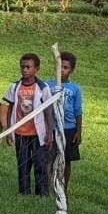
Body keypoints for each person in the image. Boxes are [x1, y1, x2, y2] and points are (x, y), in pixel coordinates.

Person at [2, 53, 54, 196]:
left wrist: (49, 131)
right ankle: (24, 191)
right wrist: (9, 129)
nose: (24, 70)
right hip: (20, 132)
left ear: (36, 69)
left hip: (37, 133)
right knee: (23, 162)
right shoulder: (14, 87)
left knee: (40, 162)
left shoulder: (43, 88)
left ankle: (42, 192)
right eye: (22, 67)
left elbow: (48, 110)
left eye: (28, 67)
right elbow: (10, 108)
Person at [45, 51, 83, 190]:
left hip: (68, 129)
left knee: (66, 161)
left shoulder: (75, 89)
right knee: (49, 158)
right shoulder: (47, 85)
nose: (61, 70)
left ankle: (63, 187)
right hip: (51, 129)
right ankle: (48, 187)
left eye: (65, 68)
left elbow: (78, 111)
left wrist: (78, 131)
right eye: (59, 67)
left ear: (71, 70)